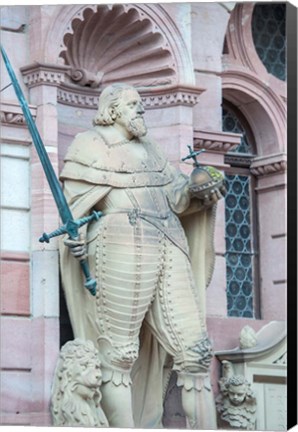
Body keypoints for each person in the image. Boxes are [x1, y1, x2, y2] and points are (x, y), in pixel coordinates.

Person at [59, 83, 225, 428]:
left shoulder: (151, 149)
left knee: (196, 354)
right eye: (133, 105)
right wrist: (76, 237)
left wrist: (200, 188)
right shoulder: (88, 145)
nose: (141, 110)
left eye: (141, 105)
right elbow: (75, 207)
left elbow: (175, 197)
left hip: (169, 244)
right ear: (113, 109)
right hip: (119, 245)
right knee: (118, 354)